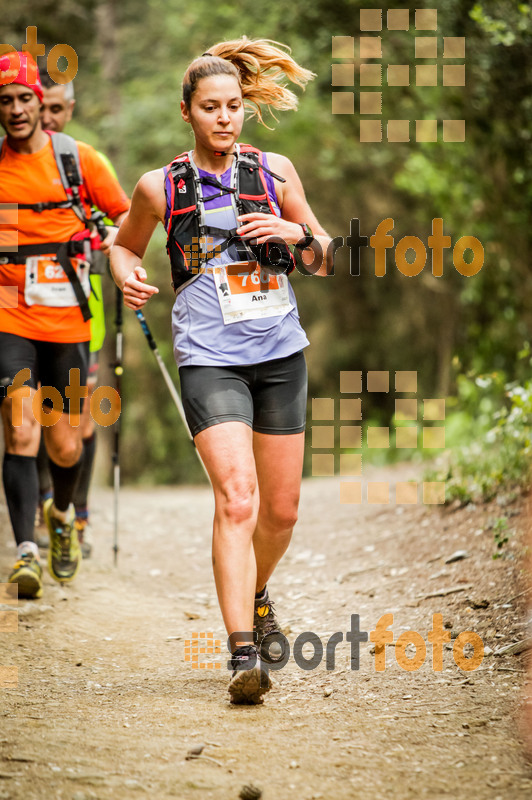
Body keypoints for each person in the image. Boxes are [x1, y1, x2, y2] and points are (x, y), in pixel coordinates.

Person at [110, 37, 332, 705]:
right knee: (238, 500)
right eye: (211, 107)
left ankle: (257, 592)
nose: (225, 117)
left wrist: (298, 238)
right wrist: (129, 277)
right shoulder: (161, 185)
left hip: (280, 353)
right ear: (188, 112)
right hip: (209, 359)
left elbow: (323, 254)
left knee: (282, 512)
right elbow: (122, 247)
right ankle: (242, 651)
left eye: (234, 105)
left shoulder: (276, 171)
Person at [0, 51, 130, 598]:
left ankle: (61, 514)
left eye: (24, 98)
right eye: (4, 100)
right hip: (9, 316)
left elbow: (126, 215)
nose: (16, 109)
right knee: (21, 429)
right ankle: (25, 552)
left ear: (41, 103)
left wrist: (115, 245)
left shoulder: (80, 160)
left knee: (65, 446)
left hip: (69, 319)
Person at [33, 73, 117, 558]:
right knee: (34, 415)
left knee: (78, 423)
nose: (48, 118)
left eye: (57, 109)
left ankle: (75, 517)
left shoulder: (83, 161)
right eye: (42, 108)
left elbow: (119, 224)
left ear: (70, 107)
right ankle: (46, 511)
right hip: (26, 314)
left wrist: (107, 240)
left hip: (84, 316)